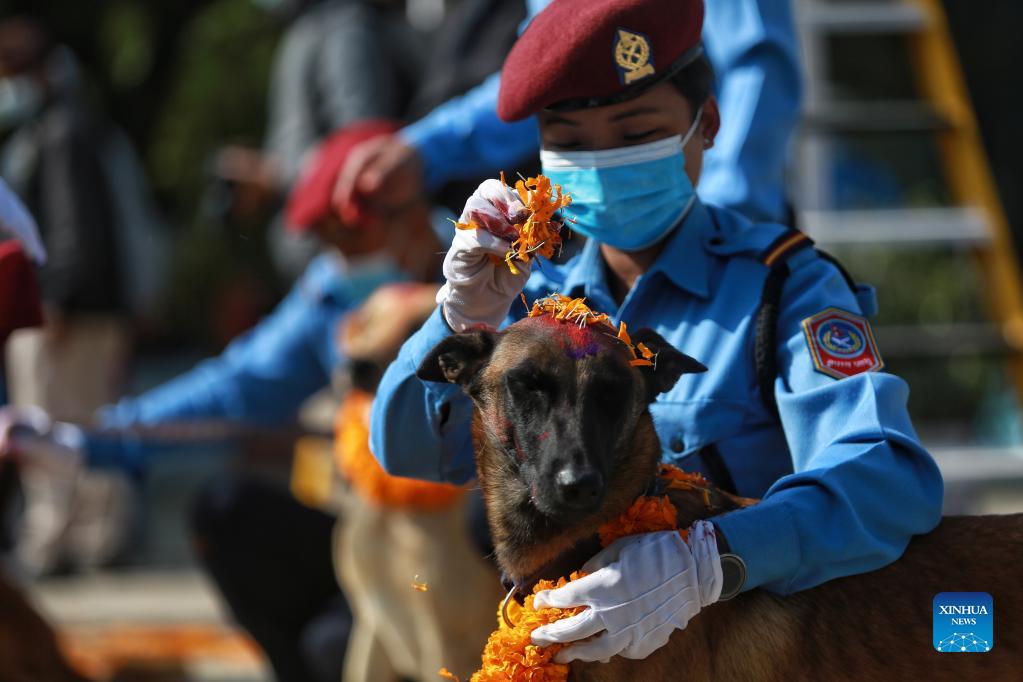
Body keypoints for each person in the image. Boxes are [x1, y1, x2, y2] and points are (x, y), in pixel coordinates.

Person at [370, 0, 943, 666]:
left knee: (973, 623)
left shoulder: (781, 288)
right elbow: (411, 453)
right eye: (572, 143)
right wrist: (461, 316)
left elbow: (888, 479)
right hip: (588, 651)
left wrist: (715, 557)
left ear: (706, 124)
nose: (602, 163)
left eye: (634, 132)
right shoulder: (529, 296)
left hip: (756, 646)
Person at [1, 120, 442, 682]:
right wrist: (86, 442)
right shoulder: (331, 295)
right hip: (380, 537)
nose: (342, 258)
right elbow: (233, 390)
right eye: (329, 242)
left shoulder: (495, 269)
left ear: (406, 207)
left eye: (351, 238)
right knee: (235, 522)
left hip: (482, 541)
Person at [334, 0, 801, 232]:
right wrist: (423, 149)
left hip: (723, 230)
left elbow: (757, 71)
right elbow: (537, 90)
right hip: (601, 243)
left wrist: (725, 216)